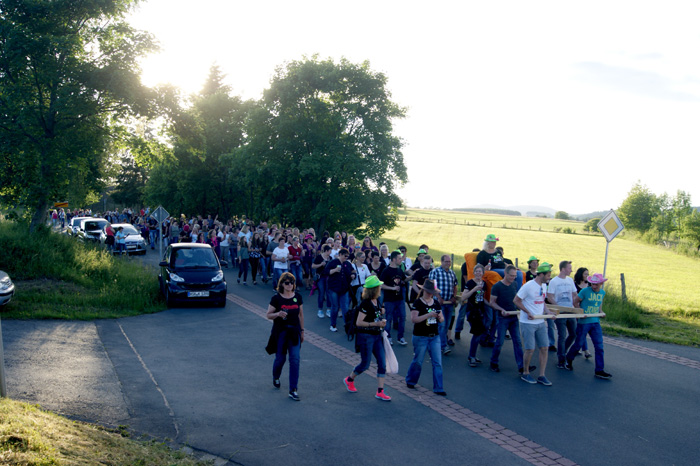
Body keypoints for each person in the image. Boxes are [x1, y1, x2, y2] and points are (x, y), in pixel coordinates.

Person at [343, 276, 391, 401]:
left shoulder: (377, 301)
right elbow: (359, 322)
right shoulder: (365, 303)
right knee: (365, 364)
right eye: (378, 286)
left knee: (382, 363)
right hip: (366, 337)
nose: (380, 288)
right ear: (374, 289)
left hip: (377, 336)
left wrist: (381, 312)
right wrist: (376, 324)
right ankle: (349, 379)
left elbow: (375, 314)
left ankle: (380, 391)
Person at [513, 263, 557, 386]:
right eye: (548, 275)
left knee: (544, 347)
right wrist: (527, 312)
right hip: (527, 323)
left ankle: (542, 375)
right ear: (541, 274)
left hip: (540, 322)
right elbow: (516, 300)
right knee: (530, 349)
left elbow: (542, 301)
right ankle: (525, 372)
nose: (549, 277)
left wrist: (548, 312)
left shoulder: (544, 285)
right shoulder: (528, 286)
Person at [266, 273, 305, 401]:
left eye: (292, 282)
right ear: (282, 284)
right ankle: (276, 376)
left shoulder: (297, 297)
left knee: (295, 360)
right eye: (287, 283)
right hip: (281, 333)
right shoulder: (276, 298)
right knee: (280, 359)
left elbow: (301, 315)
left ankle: (293, 390)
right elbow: (268, 315)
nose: (289, 285)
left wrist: (302, 331)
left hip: (294, 332)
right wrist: (278, 314)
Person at [565, 273, 612, 379]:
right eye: (592, 284)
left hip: (595, 322)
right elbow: (575, 302)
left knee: (599, 347)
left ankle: (599, 370)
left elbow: (599, 304)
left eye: (596, 284)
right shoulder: (585, 291)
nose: (594, 286)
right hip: (584, 322)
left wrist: (601, 312)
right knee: (578, 344)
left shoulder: (602, 293)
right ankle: (569, 358)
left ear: (601, 284)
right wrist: (580, 312)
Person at [405, 279, 446, 396]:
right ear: (423, 291)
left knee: (437, 362)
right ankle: (411, 380)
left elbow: (442, 318)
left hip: (434, 336)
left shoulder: (436, 303)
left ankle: (439, 387)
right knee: (418, 361)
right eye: (428, 292)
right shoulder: (418, 303)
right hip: (420, 336)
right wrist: (428, 315)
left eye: (431, 292)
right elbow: (414, 319)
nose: (430, 294)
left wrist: (439, 318)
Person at [488, 265, 526, 373]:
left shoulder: (514, 284)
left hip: (513, 317)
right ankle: (493, 362)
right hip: (502, 318)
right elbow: (492, 303)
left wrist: (523, 309)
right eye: (511, 276)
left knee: (517, 341)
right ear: (505, 273)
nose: (513, 278)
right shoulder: (497, 286)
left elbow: (516, 300)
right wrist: (501, 310)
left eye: (514, 276)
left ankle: (521, 366)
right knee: (499, 342)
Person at [547, 261, 578, 369]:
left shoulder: (570, 280)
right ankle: (561, 358)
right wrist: (557, 307)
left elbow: (575, 294)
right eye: (569, 268)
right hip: (560, 312)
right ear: (563, 269)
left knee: (573, 334)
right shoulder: (554, 281)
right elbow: (549, 296)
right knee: (562, 335)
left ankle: (563, 351)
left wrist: (576, 306)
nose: (571, 270)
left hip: (570, 311)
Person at [429, 255, 459, 355]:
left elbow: (455, 286)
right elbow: (432, 286)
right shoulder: (435, 272)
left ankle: (438, 343)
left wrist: (454, 297)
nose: (448, 263)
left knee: (446, 325)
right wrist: (438, 297)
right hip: (439, 303)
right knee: (441, 324)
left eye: (449, 262)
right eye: (446, 261)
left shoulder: (452, 273)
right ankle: (443, 346)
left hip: (449, 303)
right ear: (441, 262)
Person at [461, 264, 487, 367]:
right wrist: (473, 290)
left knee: (479, 333)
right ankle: (471, 356)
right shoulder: (470, 283)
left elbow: (483, 298)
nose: (478, 273)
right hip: (472, 311)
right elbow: (463, 297)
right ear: (473, 272)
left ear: (483, 273)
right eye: (476, 271)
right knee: (477, 333)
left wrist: (492, 305)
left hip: (480, 311)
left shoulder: (484, 284)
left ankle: (473, 355)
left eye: (480, 271)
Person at [380, 251, 407, 345]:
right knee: (389, 317)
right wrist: (392, 288)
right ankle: (388, 337)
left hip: (400, 298)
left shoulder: (399, 270)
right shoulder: (386, 270)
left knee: (403, 317)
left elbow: (404, 279)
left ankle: (401, 337)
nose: (401, 260)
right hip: (389, 299)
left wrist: (413, 275)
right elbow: (381, 284)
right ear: (394, 259)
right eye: (399, 258)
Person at [325, 248, 355, 332]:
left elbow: (353, 270)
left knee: (345, 307)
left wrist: (353, 275)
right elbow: (326, 271)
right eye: (345, 256)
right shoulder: (333, 262)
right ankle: (333, 325)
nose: (346, 258)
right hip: (334, 288)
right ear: (340, 255)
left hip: (344, 288)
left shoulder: (347, 264)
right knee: (335, 307)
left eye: (347, 256)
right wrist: (334, 270)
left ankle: (347, 326)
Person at [573, 267, 592, 359]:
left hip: (586, 310)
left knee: (581, 330)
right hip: (576, 309)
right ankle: (584, 350)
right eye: (585, 274)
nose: (587, 276)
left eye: (588, 274)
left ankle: (581, 349)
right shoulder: (574, 284)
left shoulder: (589, 285)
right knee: (580, 330)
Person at [312, 244, 332, 318]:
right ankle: (320, 310)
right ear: (326, 251)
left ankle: (328, 309)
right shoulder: (319, 257)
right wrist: (320, 264)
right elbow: (313, 266)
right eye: (329, 251)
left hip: (328, 277)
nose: (330, 252)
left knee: (328, 293)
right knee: (321, 293)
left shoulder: (330, 258)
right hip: (321, 277)